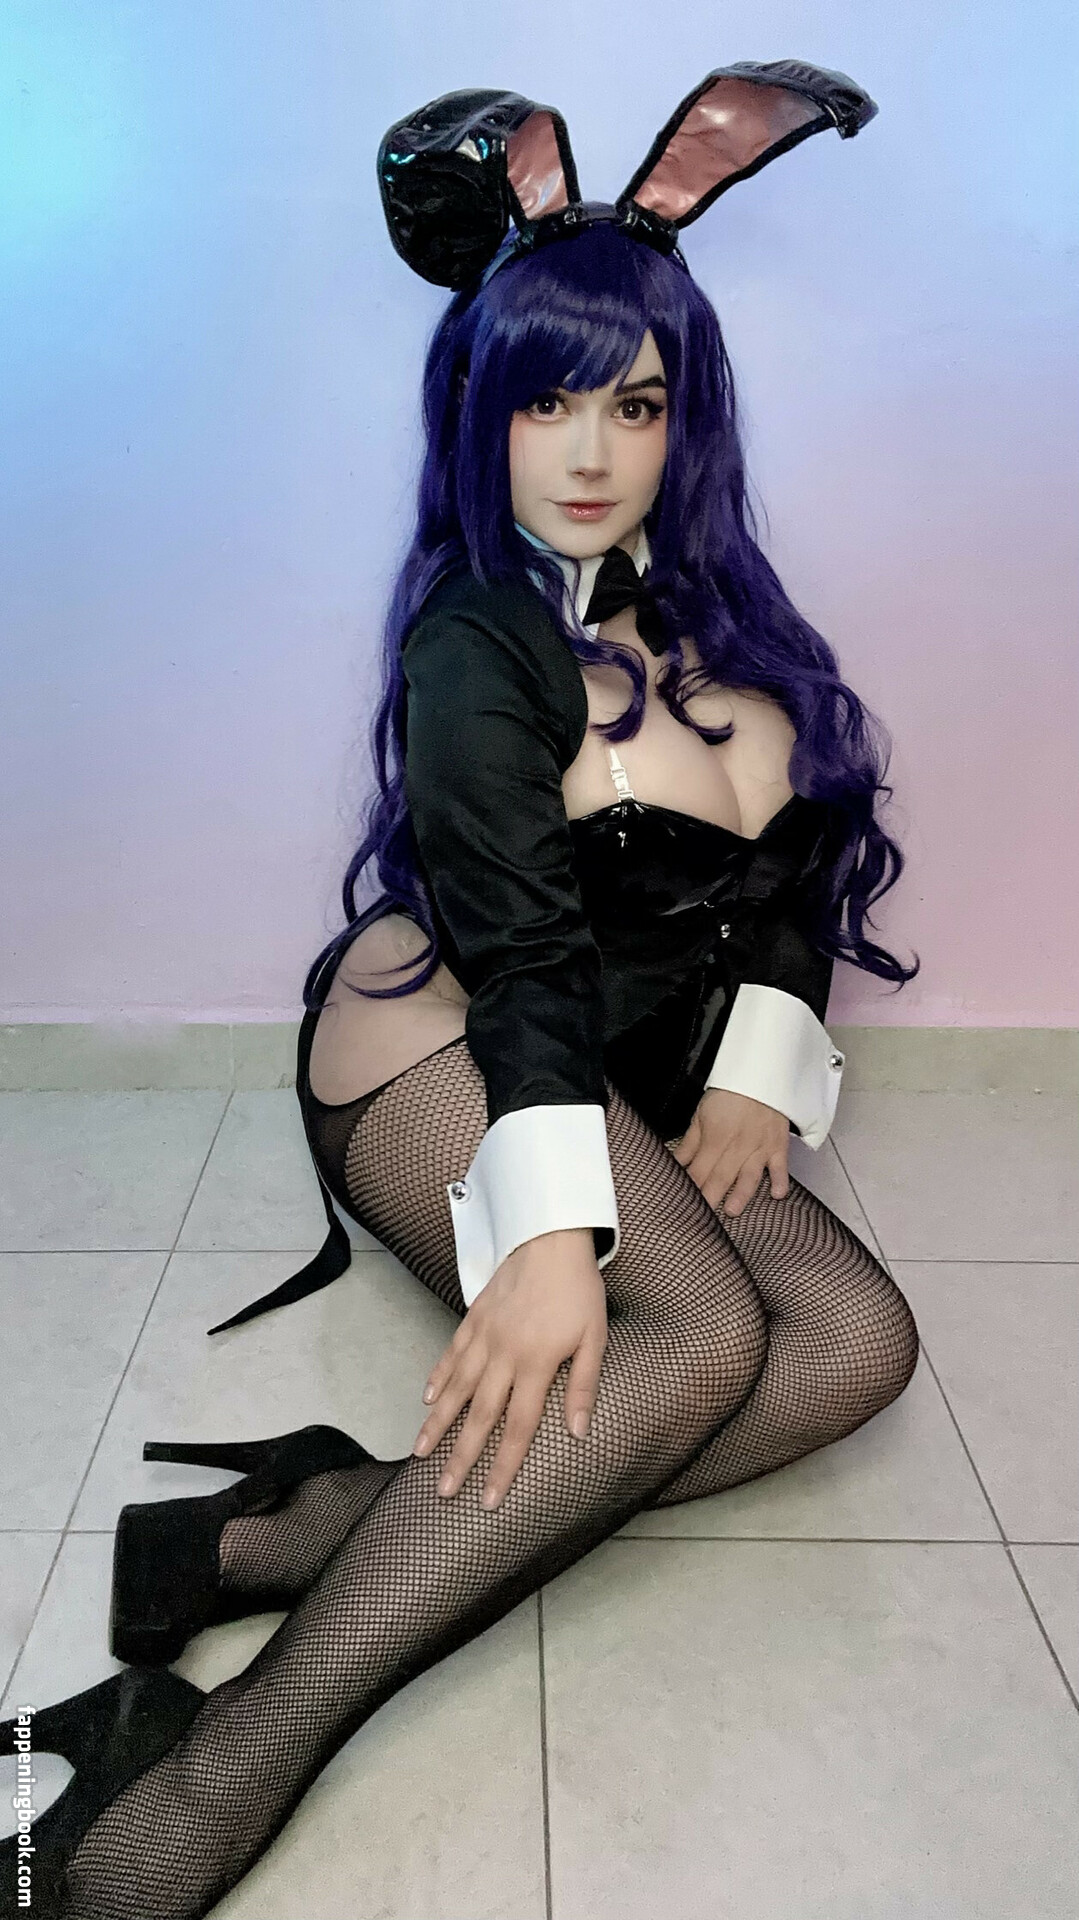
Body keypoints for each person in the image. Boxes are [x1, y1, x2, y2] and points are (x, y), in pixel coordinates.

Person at [2, 63, 922, 1919]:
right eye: (544, 398)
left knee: (854, 1349)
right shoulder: (476, 637)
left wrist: (758, 1064)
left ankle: (297, 1528)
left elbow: (803, 864)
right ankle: (207, 1755)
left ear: (686, 419)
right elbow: (519, 949)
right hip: (446, 1037)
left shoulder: (737, 622)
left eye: (635, 402)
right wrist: (548, 1236)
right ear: (480, 410)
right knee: (700, 1344)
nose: (589, 450)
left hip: (626, 1064)